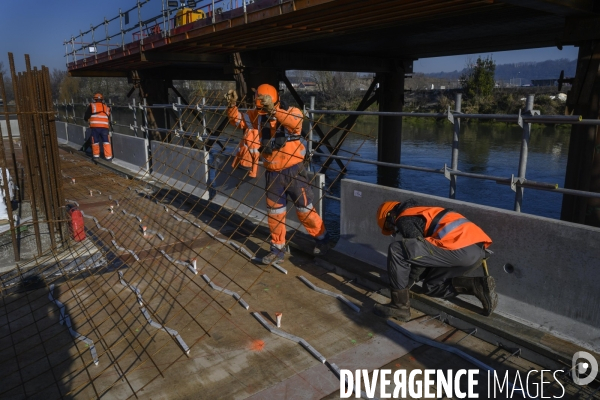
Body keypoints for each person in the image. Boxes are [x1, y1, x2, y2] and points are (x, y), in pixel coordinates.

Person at [225, 84, 329, 264]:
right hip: (273, 174)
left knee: (305, 210)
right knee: (275, 214)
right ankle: (277, 249)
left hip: (293, 171)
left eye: (264, 105)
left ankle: (322, 239)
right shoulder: (255, 116)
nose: (261, 110)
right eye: (260, 106)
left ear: (274, 101)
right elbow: (237, 121)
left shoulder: (291, 112)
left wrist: (274, 111)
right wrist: (231, 106)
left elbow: (295, 122)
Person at [373, 198, 498, 321]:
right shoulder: (422, 212)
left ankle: (399, 306)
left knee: (397, 250)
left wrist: (409, 281)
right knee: (431, 287)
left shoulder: (404, 218)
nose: (396, 230)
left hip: (458, 248)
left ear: (391, 215)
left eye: (391, 226)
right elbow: (426, 253)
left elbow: (417, 255)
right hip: (477, 251)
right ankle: (477, 286)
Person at [84, 92, 112, 161]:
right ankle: (108, 157)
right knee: (106, 142)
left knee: (95, 142)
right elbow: (108, 116)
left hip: (95, 127)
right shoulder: (106, 107)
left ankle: (96, 156)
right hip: (105, 128)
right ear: (102, 100)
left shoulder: (92, 106)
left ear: (94, 99)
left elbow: (86, 117)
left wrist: (89, 119)